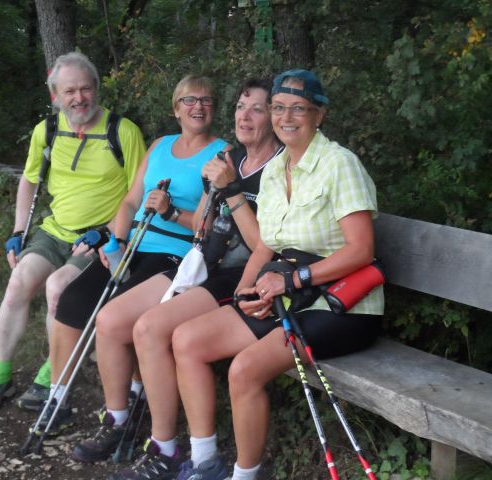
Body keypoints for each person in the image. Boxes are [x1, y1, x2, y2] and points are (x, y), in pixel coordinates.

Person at [172, 69, 384, 480]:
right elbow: (266, 245)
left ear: (319, 114)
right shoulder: (275, 169)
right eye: (279, 108)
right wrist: (244, 291)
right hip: (288, 294)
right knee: (187, 340)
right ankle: (205, 462)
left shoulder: (340, 164)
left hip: (343, 304)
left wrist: (292, 280)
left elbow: (361, 250)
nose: (286, 117)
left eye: (298, 108)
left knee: (244, 369)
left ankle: (245, 475)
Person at [90, 78, 283, 480]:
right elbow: (202, 225)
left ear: (274, 117)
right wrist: (181, 212)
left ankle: (185, 454)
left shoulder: (280, 169)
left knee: (153, 330)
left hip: (247, 277)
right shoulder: (230, 159)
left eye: (258, 109)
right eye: (241, 107)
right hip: (205, 265)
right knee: (130, 324)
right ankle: (165, 448)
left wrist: (230, 191)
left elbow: (264, 246)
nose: (245, 116)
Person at [39, 75, 228, 436]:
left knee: (113, 316)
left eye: (206, 100)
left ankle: (124, 407)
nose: (198, 107)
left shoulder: (221, 154)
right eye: (189, 100)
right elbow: (129, 202)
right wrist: (118, 241)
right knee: (72, 299)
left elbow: (206, 224)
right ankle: (56, 398)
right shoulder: (160, 145)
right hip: (134, 243)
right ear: (176, 109)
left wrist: (171, 211)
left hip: (175, 252)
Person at [0, 52, 147, 410]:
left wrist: (108, 233)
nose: (79, 98)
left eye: (85, 88)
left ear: (96, 88)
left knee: (57, 288)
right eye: (69, 91)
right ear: (55, 96)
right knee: (19, 281)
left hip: (98, 237)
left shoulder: (123, 131)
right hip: (54, 230)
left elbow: (138, 195)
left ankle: (52, 374)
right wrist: (18, 230)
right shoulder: (47, 131)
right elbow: (29, 181)